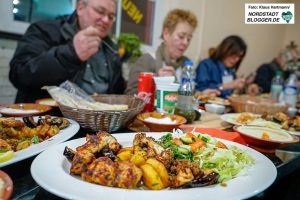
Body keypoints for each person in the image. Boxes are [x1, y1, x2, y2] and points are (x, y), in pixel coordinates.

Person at [9, 0, 125, 103]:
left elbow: (118, 93)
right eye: (100, 11)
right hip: (50, 122)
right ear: (80, 8)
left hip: (100, 124)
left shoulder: (111, 50)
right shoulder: (44, 30)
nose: (106, 20)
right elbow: (20, 74)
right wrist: (71, 53)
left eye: (111, 16)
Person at [125, 9, 200, 95]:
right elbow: (130, 96)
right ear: (166, 33)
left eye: (189, 39)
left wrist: (201, 94)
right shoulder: (146, 61)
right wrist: (156, 85)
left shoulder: (187, 65)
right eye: (181, 36)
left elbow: (190, 96)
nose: (185, 43)